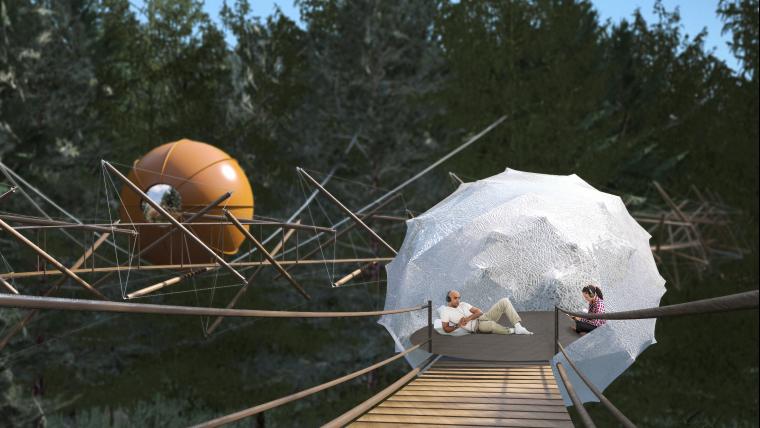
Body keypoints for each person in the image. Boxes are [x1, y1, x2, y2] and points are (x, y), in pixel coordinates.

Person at [440, 290, 533, 335]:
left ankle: (518, 327)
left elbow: (479, 312)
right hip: (477, 327)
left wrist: (469, 318)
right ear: (449, 299)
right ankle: (512, 331)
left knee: (504, 301)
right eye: (455, 298)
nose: (458, 300)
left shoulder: (463, 304)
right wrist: (458, 325)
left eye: (459, 298)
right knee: (492, 325)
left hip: (483, 317)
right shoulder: (446, 311)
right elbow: (445, 328)